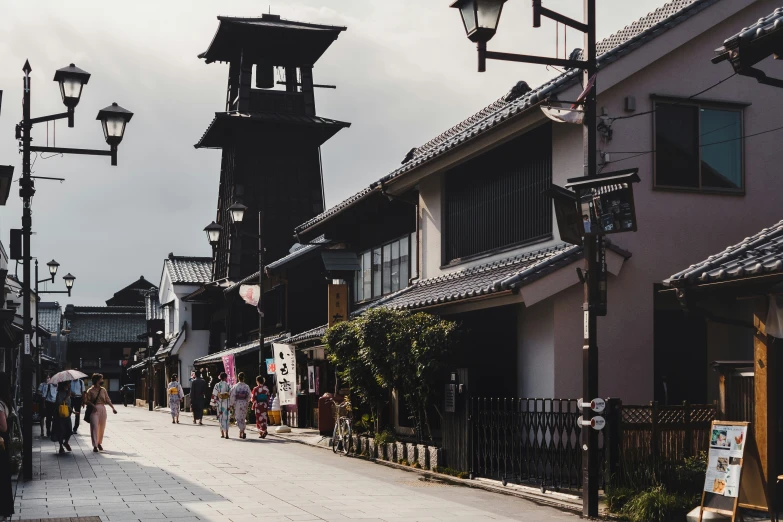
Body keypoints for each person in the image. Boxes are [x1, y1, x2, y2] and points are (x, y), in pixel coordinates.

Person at [83, 373, 117, 452]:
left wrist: (113, 408)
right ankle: (95, 445)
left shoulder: (103, 390)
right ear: (97, 380)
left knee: (101, 427)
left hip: (102, 409)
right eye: (101, 379)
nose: (102, 380)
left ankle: (99, 443)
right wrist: (93, 405)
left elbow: (107, 399)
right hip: (94, 410)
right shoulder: (90, 390)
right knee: (94, 427)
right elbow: (86, 401)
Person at [0, 373, 15, 521]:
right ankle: (5, 510)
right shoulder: (6, 402)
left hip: (1, 442)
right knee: (4, 476)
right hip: (4, 443)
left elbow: (3, 427)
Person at [230, 373, 251, 439]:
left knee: (238, 418)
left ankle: (242, 430)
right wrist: (247, 402)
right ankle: (241, 432)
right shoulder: (246, 386)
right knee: (243, 418)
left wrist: (232, 404)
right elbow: (249, 396)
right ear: (243, 378)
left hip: (238, 403)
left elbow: (232, 395)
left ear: (238, 378)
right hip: (244, 403)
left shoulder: (236, 386)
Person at [53, 382, 72, 454]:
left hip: (67, 413)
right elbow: (59, 402)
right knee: (61, 430)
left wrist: (72, 411)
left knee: (69, 429)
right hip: (60, 414)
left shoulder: (67, 392)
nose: (70, 385)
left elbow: (69, 404)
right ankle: (61, 446)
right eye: (68, 384)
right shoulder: (60, 393)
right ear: (65, 385)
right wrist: (67, 396)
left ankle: (66, 442)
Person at [211, 372, 231, 439]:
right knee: (227, 419)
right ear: (225, 378)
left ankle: (222, 433)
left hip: (220, 404)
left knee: (221, 418)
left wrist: (213, 404)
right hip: (227, 404)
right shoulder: (228, 385)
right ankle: (227, 433)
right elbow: (231, 394)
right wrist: (231, 403)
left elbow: (214, 395)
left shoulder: (217, 385)